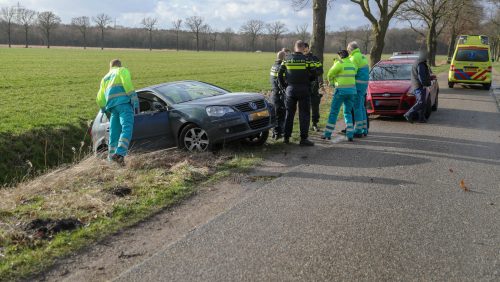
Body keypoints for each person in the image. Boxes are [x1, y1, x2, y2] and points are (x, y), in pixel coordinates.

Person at [96, 59, 139, 165]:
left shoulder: (105, 78)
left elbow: (99, 97)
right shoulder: (122, 70)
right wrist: (134, 99)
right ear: (119, 65)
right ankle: (120, 154)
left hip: (112, 108)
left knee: (114, 135)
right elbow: (127, 84)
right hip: (124, 105)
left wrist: (103, 110)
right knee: (127, 128)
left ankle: (111, 160)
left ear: (110, 66)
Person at [278, 40, 316, 146]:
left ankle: (286, 137)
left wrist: (284, 87)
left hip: (290, 89)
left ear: (295, 47)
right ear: (304, 48)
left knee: (289, 113)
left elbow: (280, 75)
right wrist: (309, 83)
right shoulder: (307, 59)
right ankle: (303, 139)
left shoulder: (286, 59)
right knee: (304, 114)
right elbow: (314, 74)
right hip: (304, 89)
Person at [321, 50, 357, 142]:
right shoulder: (352, 64)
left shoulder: (339, 63)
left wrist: (332, 83)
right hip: (352, 92)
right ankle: (350, 134)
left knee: (334, 112)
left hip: (340, 91)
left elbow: (330, 74)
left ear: (340, 56)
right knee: (348, 113)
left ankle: (327, 134)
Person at [347, 41, 369, 137]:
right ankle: (364, 128)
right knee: (361, 107)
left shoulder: (353, 58)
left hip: (357, 85)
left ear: (350, 49)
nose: (348, 51)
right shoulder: (362, 56)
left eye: (348, 50)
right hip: (363, 85)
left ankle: (358, 130)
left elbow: (352, 72)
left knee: (356, 107)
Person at [404, 51, 431, 123]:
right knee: (421, 102)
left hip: (418, 85)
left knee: (423, 102)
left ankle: (421, 118)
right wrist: (425, 84)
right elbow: (421, 76)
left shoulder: (418, 62)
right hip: (419, 86)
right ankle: (408, 114)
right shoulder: (421, 64)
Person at [304, 42, 324, 132]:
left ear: (308, 49)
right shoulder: (300, 59)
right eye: (302, 49)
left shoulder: (315, 59)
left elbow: (321, 70)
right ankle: (305, 125)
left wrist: (312, 74)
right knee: (304, 106)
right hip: (303, 86)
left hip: (314, 86)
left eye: (305, 49)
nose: (304, 51)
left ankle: (315, 123)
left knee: (315, 106)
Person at [270, 51, 287, 139]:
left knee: (275, 113)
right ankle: (280, 132)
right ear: (284, 57)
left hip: (274, 93)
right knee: (282, 114)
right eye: (286, 56)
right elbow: (284, 81)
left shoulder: (273, 66)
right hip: (281, 93)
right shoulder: (282, 67)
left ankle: (274, 132)